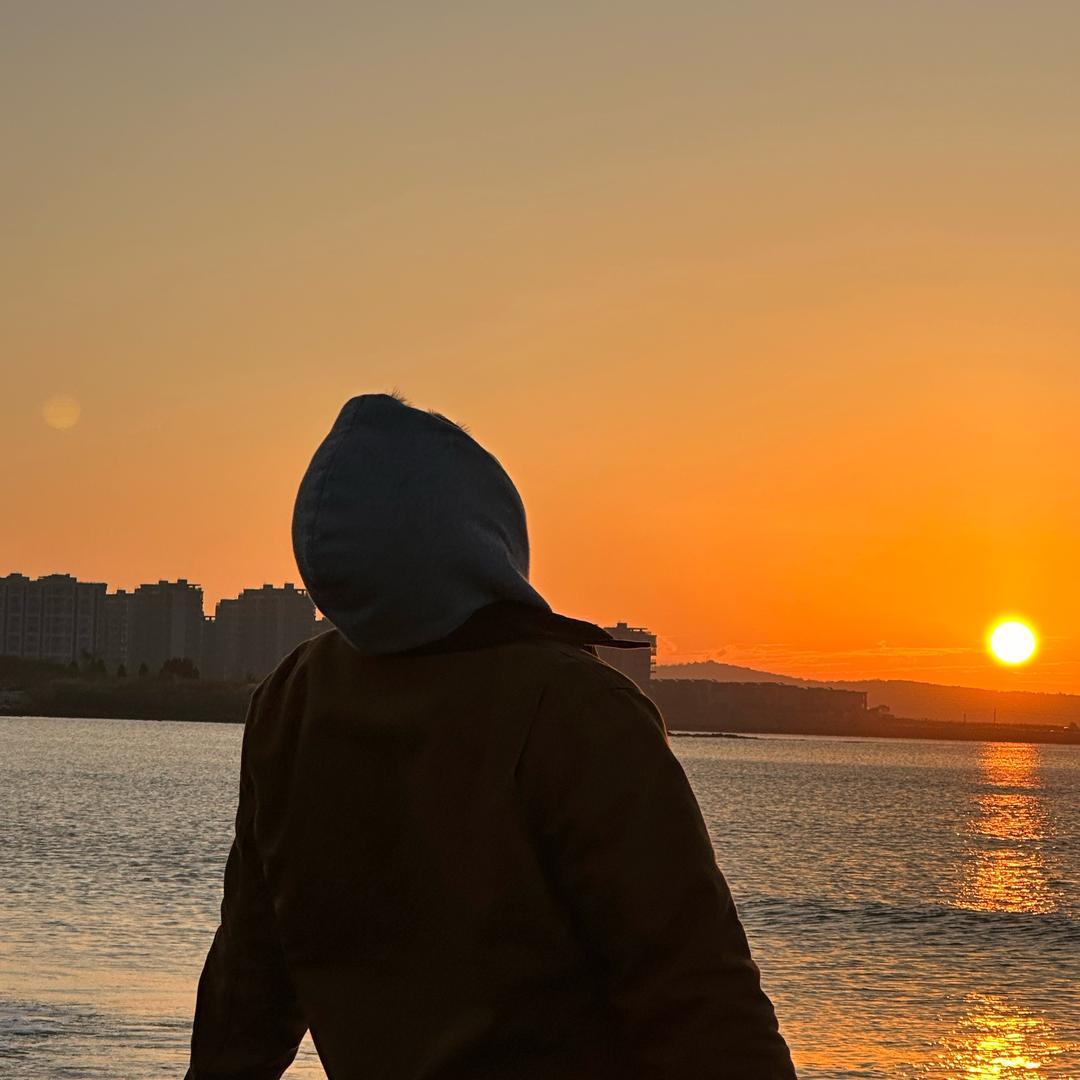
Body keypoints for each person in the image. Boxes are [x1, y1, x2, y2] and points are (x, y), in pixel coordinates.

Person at [186, 393, 797, 1079]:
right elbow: (701, 997)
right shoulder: (574, 708)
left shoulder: (293, 699)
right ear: (487, 535)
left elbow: (246, 997)